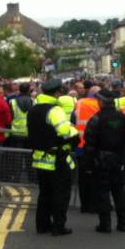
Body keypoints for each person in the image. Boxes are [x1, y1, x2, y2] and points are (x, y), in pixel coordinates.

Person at [28, 78, 79, 236]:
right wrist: (74, 131)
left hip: (39, 159)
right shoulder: (55, 110)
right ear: (57, 93)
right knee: (60, 194)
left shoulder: (33, 110)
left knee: (44, 194)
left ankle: (42, 226)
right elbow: (65, 132)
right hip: (56, 159)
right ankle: (58, 226)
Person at [83, 90, 125, 233]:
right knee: (119, 191)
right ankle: (123, 224)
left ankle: (105, 225)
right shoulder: (124, 118)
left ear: (100, 102)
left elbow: (90, 145)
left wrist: (87, 164)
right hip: (119, 160)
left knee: (102, 192)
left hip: (101, 161)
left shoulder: (96, 119)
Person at [73, 87, 101, 213]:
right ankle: (95, 204)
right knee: (96, 176)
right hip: (95, 145)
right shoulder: (100, 104)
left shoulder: (78, 103)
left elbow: (72, 121)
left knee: (83, 177)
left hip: (80, 145)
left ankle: (85, 205)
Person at [8, 83, 34, 149]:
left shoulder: (12, 102)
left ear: (19, 90)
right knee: (28, 155)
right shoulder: (33, 102)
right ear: (28, 91)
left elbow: (9, 118)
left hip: (16, 133)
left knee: (16, 156)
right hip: (29, 132)